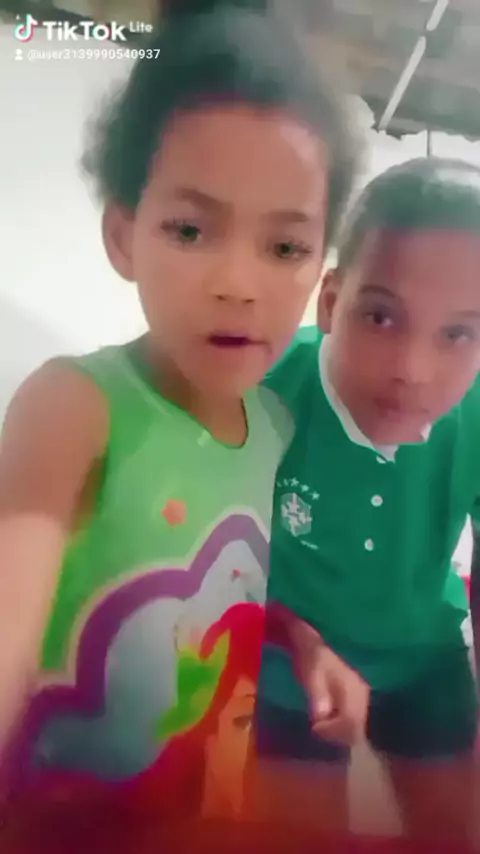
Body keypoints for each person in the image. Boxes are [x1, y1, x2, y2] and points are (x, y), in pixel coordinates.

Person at [0, 0, 359, 818]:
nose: (239, 283)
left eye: (285, 246)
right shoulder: (75, 408)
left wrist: (300, 641)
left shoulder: (272, 427)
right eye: (192, 230)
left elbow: (220, 589)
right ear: (123, 236)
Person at [256, 158, 480, 843]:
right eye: (381, 316)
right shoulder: (262, 390)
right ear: (330, 301)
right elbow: (210, 559)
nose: (414, 370)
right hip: (288, 653)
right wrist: (299, 643)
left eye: (459, 333)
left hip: (426, 654)